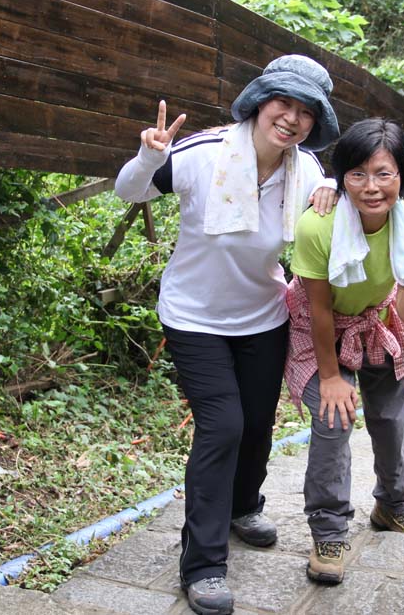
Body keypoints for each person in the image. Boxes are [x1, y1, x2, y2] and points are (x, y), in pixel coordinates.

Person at [114, 54, 340, 615]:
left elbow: (335, 206)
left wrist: (335, 186)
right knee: (223, 426)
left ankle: (243, 506)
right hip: (194, 317)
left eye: (305, 111)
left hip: (264, 315)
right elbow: (129, 192)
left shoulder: (307, 171)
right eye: (282, 103)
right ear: (260, 102)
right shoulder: (204, 153)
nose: (291, 118)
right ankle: (203, 565)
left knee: (258, 424)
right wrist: (150, 155)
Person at [284, 118, 404, 584]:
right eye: (358, 174)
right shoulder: (317, 226)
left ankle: (393, 504)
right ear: (341, 176)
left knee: (389, 418)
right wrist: (330, 378)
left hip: (380, 320)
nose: (371, 187)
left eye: (384, 173)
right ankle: (328, 532)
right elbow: (319, 308)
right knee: (334, 420)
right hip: (320, 327)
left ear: (401, 175)